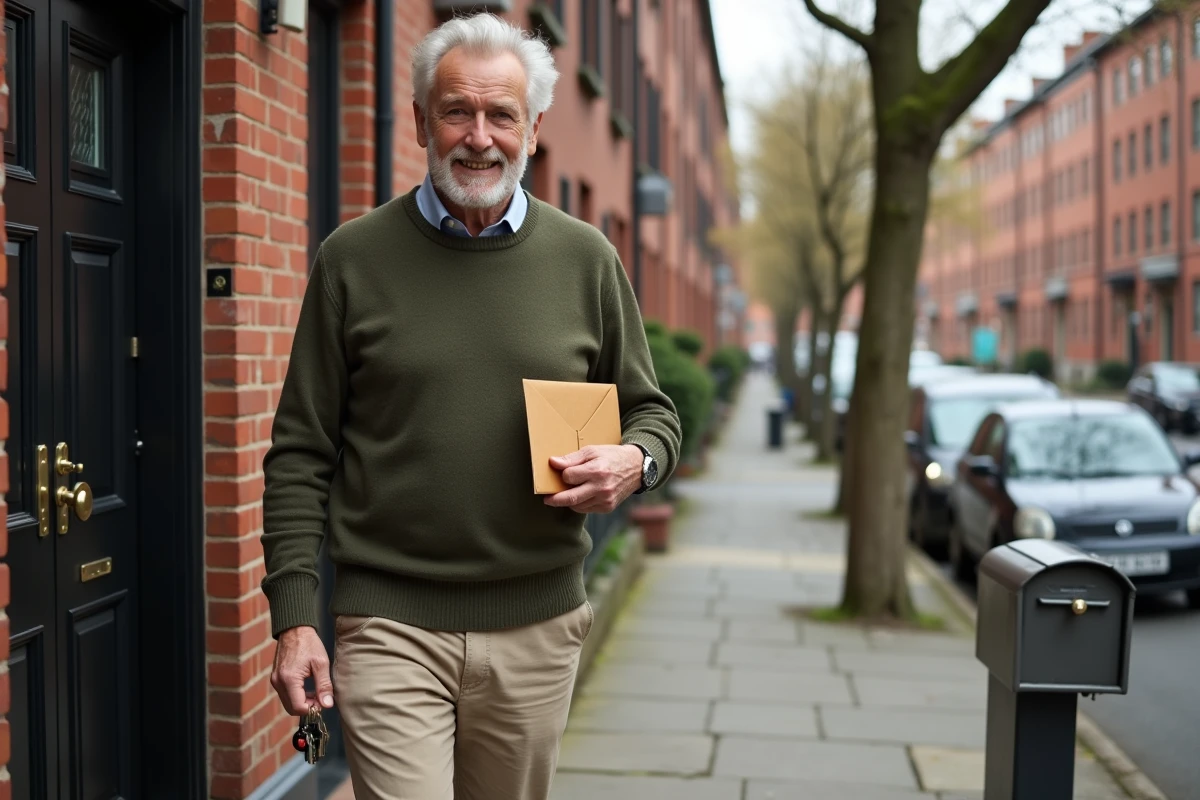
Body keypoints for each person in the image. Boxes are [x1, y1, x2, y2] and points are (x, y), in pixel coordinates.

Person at [259, 12, 681, 800]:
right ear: (420, 119)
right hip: (389, 625)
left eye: (501, 115)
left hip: (537, 624)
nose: (479, 136)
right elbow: (301, 453)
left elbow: (654, 413)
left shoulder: (586, 259)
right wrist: (294, 617)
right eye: (457, 110)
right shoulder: (352, 260)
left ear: (533, 126)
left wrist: (636, 459)